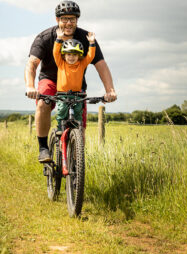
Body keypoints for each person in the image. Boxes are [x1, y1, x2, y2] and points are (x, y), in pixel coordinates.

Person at [25, 1, 117, 163]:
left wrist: (110, 90)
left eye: (72, 19)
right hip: (50, 80)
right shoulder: (45, 38)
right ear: (57, 20)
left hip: (75, 84)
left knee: (80, 128)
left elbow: (101, 64)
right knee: (42, 104)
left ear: (77, 20)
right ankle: (43, 148)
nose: (68, 23)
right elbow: (32, 63)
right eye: (64, 19)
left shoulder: (85, 38)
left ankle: (76, 165)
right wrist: (30, 86)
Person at [53, 28, 96, 131]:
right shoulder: (61, 63)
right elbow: (55, 52)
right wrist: (59, 39)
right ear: (64, 55)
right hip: (62, 95)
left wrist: (92, 43)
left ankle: (76, 135)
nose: (71, 57)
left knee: (77, 115)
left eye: (74, 55)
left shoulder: (81, 64)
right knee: (62, 113)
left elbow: (90, 56)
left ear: (79, 55)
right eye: (69, 54)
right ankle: (60, 129)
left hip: (77, 95)